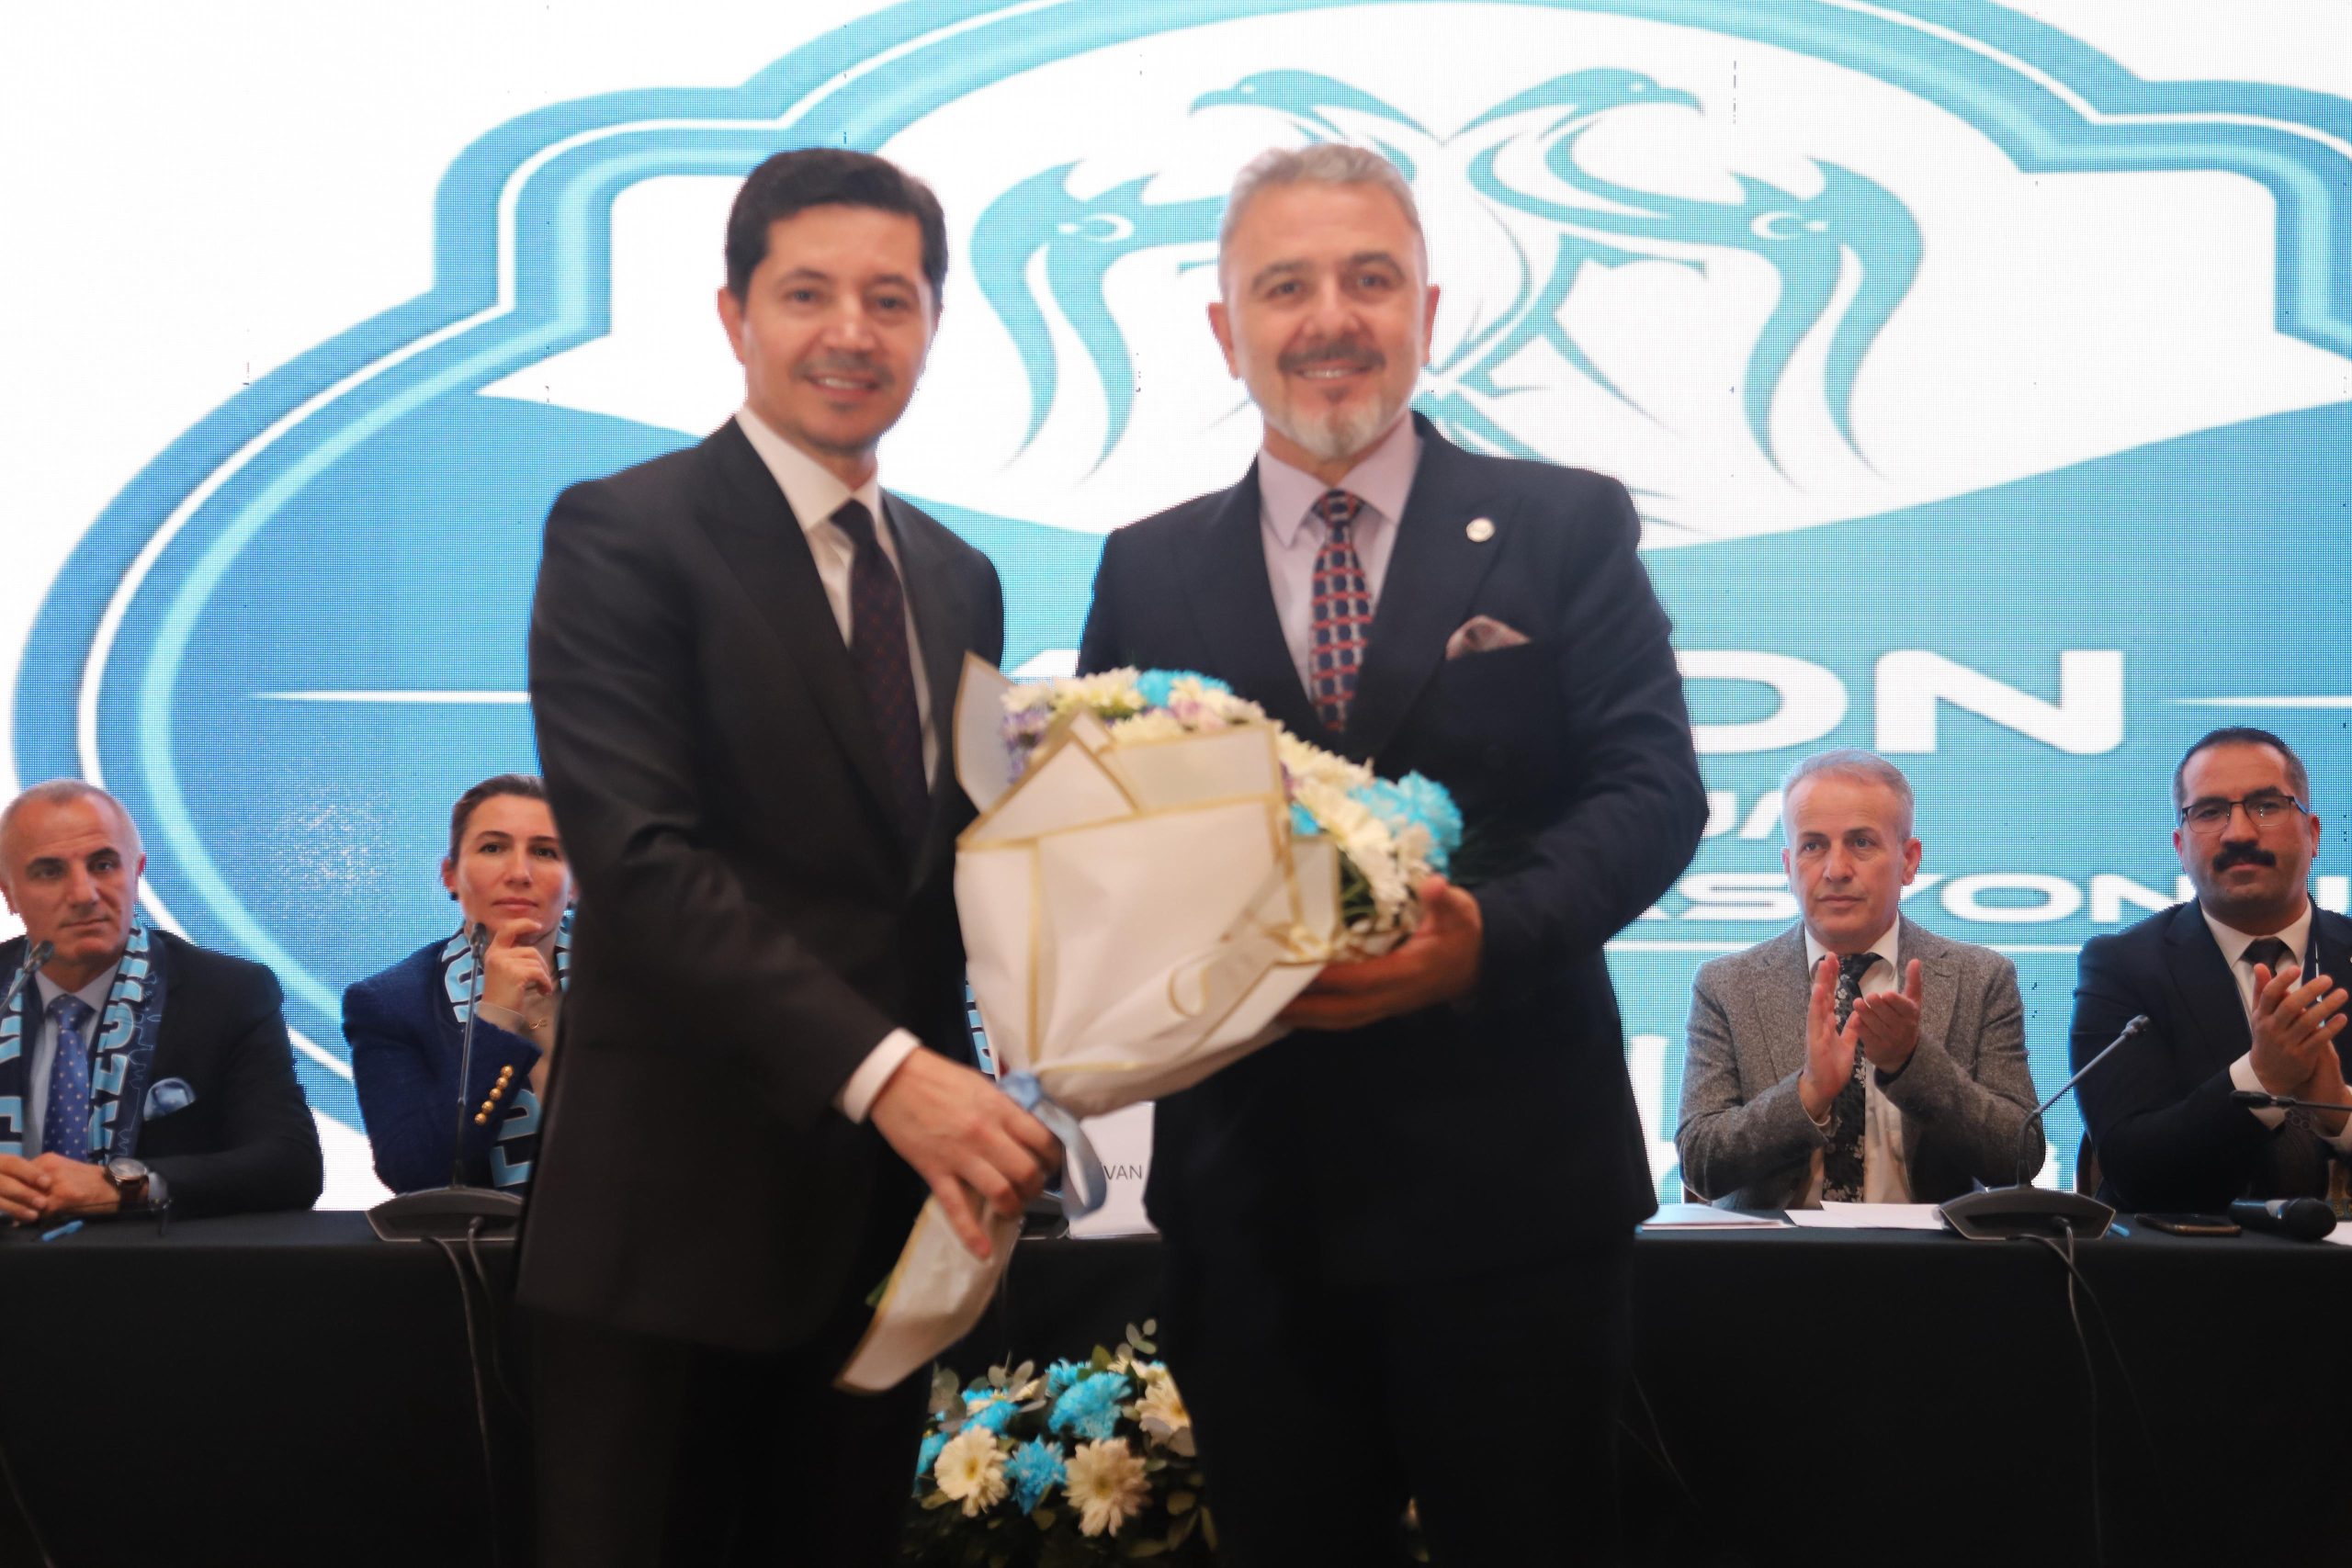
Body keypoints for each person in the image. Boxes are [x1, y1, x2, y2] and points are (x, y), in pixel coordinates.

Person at [1075, 144, 1706, 1566]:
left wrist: (1486, 937)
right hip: (1250, 1207)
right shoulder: (1147, 563)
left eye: (1369, 279)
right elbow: (1103, 839)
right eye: (1284, 285)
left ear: (1425, 310)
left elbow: (1653, 788)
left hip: (1516, 1197)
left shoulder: (1565, 522)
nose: (1331, 318)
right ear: (1226, 328)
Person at [518, 147, 1060, 1568]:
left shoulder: (956, 576)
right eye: (808, 292)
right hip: (671, 1235)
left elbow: (951, 874)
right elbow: (641, 862)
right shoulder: (623, 533)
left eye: (891, 299)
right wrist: (895, 1075)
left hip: (887, 1243)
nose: (850, 332)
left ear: (933, 325)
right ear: (735, 314)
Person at [1675, 750, 2040, 1208]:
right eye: (1813, 846)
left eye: (1861, 843)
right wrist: (1808, 1094)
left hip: (1927, 1252)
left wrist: (1911, 1064)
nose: (1836, 870)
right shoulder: (1728, 985)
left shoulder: (1980, 978)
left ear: (1909, 861)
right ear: (1788, 866)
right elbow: (1700, 1162)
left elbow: (2021, 1156)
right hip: (1776, 1251)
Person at [0, 780, 321, 1223]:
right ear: (9, 893)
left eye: (104, 865)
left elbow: (291, 1165)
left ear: (137, 873)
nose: (83, 894)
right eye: (50, 872)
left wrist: (129, 1186)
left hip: (154, 1260)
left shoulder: (226, 993)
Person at [2072, 727, 2349, 1211]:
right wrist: (2260, 1077)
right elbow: (2130, 1165)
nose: (2239, 833)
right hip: (2188, 1255)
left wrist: (2340, 1112)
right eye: (2209, 812)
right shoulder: (2122, 967)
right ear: (2180, 848)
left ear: (2313, 833)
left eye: (2266, 806)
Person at [345, 775, 571, 1196]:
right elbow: (417, 1175)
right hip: (490, 1238)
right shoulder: (391, 1004)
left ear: (576, 883)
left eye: (545, 852)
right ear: (450, 875)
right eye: (493, 848)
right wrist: (496, 1017)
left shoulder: (642, 980)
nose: (519, 873)